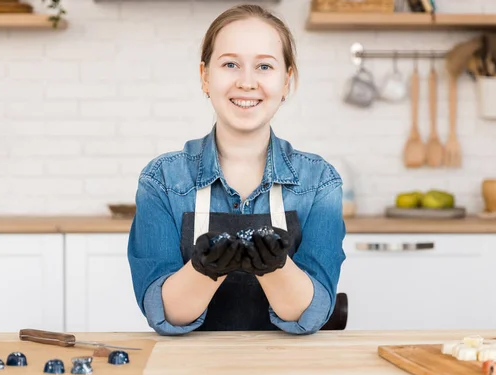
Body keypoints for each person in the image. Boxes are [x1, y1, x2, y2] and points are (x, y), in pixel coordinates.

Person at [127, 4, 346, 335]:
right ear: (205, 77)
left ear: (286, 81)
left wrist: (275, 267)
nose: (247, 82)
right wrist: (204, 269)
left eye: (264, 66)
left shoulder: (319, 184)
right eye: (230, 64)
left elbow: (312, 313)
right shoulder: (163, 181)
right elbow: (165, 313)